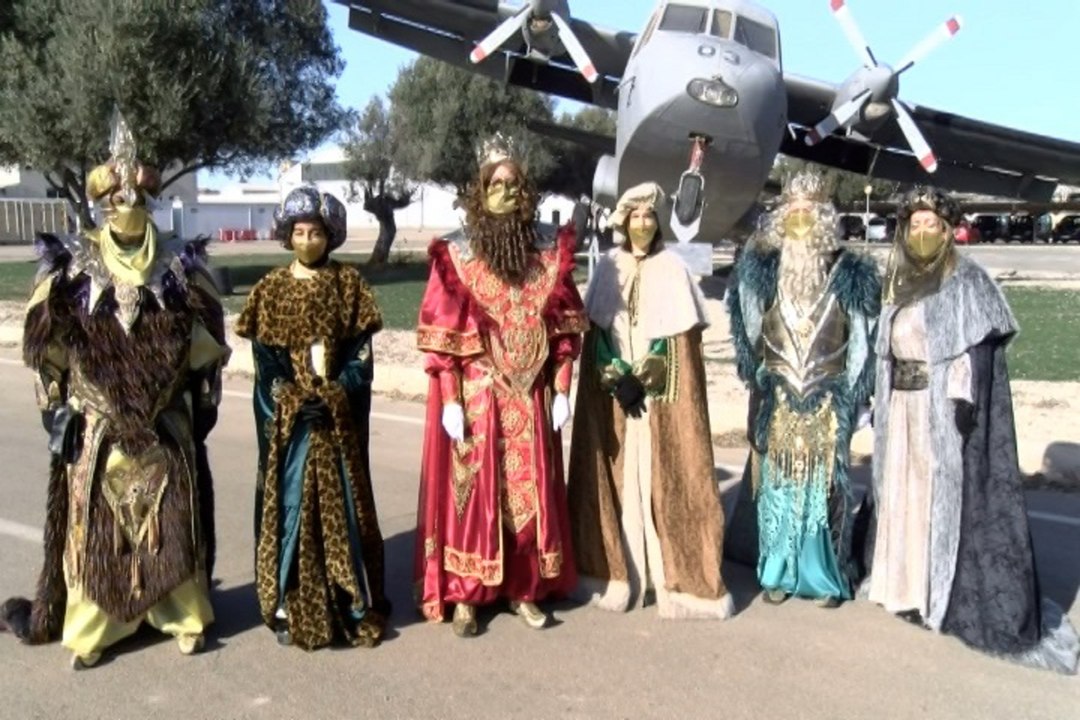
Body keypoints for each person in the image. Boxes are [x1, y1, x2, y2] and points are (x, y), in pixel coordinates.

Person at [0, 112, 227, 669]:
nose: (127, 204)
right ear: (101, 206)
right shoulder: (70, 270)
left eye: (137, 196)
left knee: (170, 520)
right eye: (115, 197)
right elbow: (45, 355)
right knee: (98, 526)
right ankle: (95, 624)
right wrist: (56, 410)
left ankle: (183, 614)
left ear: (149, 202)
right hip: (98, 428)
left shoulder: (180, 267)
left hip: (166, 425)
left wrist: (202, 405)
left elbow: (207, 351)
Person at [869, 186, 1078, 674]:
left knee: (935, 503)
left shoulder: (967, 282)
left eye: (931, 226)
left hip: (938, 415)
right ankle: (901, 587)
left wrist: (961, 401)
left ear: (948, 231)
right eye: (914, 226)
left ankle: (934, 594)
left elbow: (974, 354)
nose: (922, 234)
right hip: (900, 411)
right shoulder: (898, 282)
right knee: (901, 496)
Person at [414, 135, 587, 637]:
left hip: (531, 400)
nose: (506, 194)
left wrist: (562, 388)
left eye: (514, 185)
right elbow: (443, 340)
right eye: (496, 185)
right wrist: (450, 399)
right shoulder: (457, 255)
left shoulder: (546, 256)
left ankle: (524, 589)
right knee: (473, 496)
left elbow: (564, 332)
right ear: (480, 192)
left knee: (527, 497)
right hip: (477, 399)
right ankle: (466, 595)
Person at [567, 183, 732, 619]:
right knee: (619, 475)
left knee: (662, 473)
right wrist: (616, 376)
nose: (642, 224)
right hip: (614, 391)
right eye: (634, 216)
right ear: (622, 221)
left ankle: (672, 579)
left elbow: (676, 341)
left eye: (648, 217)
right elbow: (598, 332)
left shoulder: (672, 268)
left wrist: (644, 377)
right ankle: (617, 575)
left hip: (655, 396)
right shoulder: (606, 267)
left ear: (658, 222)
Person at [235, 186, 390, 650]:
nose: (307, 240)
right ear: (287, 236)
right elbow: (265, 364)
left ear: (330, 236)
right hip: (293, 426)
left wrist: (338, 393)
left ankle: (348, 598)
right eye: (299, 232)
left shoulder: (350, 287)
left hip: (336, 422)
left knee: (343, 505)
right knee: (290, 507)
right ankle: (286, 601)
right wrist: (289, 398)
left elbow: (361, 359)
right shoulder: (270, 290)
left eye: (316, 232)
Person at [726, 170, 879, 607]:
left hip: (828, 398)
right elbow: (751, 327)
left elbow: (864, 340)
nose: (799, 225)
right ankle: (776, 570)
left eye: (808, 216)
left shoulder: (849, 273)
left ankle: (821, 576)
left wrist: (856, 392)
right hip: (780, 398)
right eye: (791, 216)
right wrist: (756, 373)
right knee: (779, 485)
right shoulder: (765, 273)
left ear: (824, 220)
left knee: (823, 489)